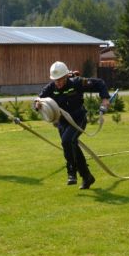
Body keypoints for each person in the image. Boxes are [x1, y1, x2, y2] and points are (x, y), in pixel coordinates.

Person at [35, 61, 110, 189]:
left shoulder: (77, 83)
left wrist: (105, 100)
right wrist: (37, 104)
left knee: (66, 142)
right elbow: (38, 99)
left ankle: (71, 173)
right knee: (73, 146)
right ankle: (87, 177)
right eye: (55, 80)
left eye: (60, 80)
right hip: (62, 123)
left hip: (78, 119)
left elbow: (99, 83)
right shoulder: (50, 88)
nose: (57, 83)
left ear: (65, 77)